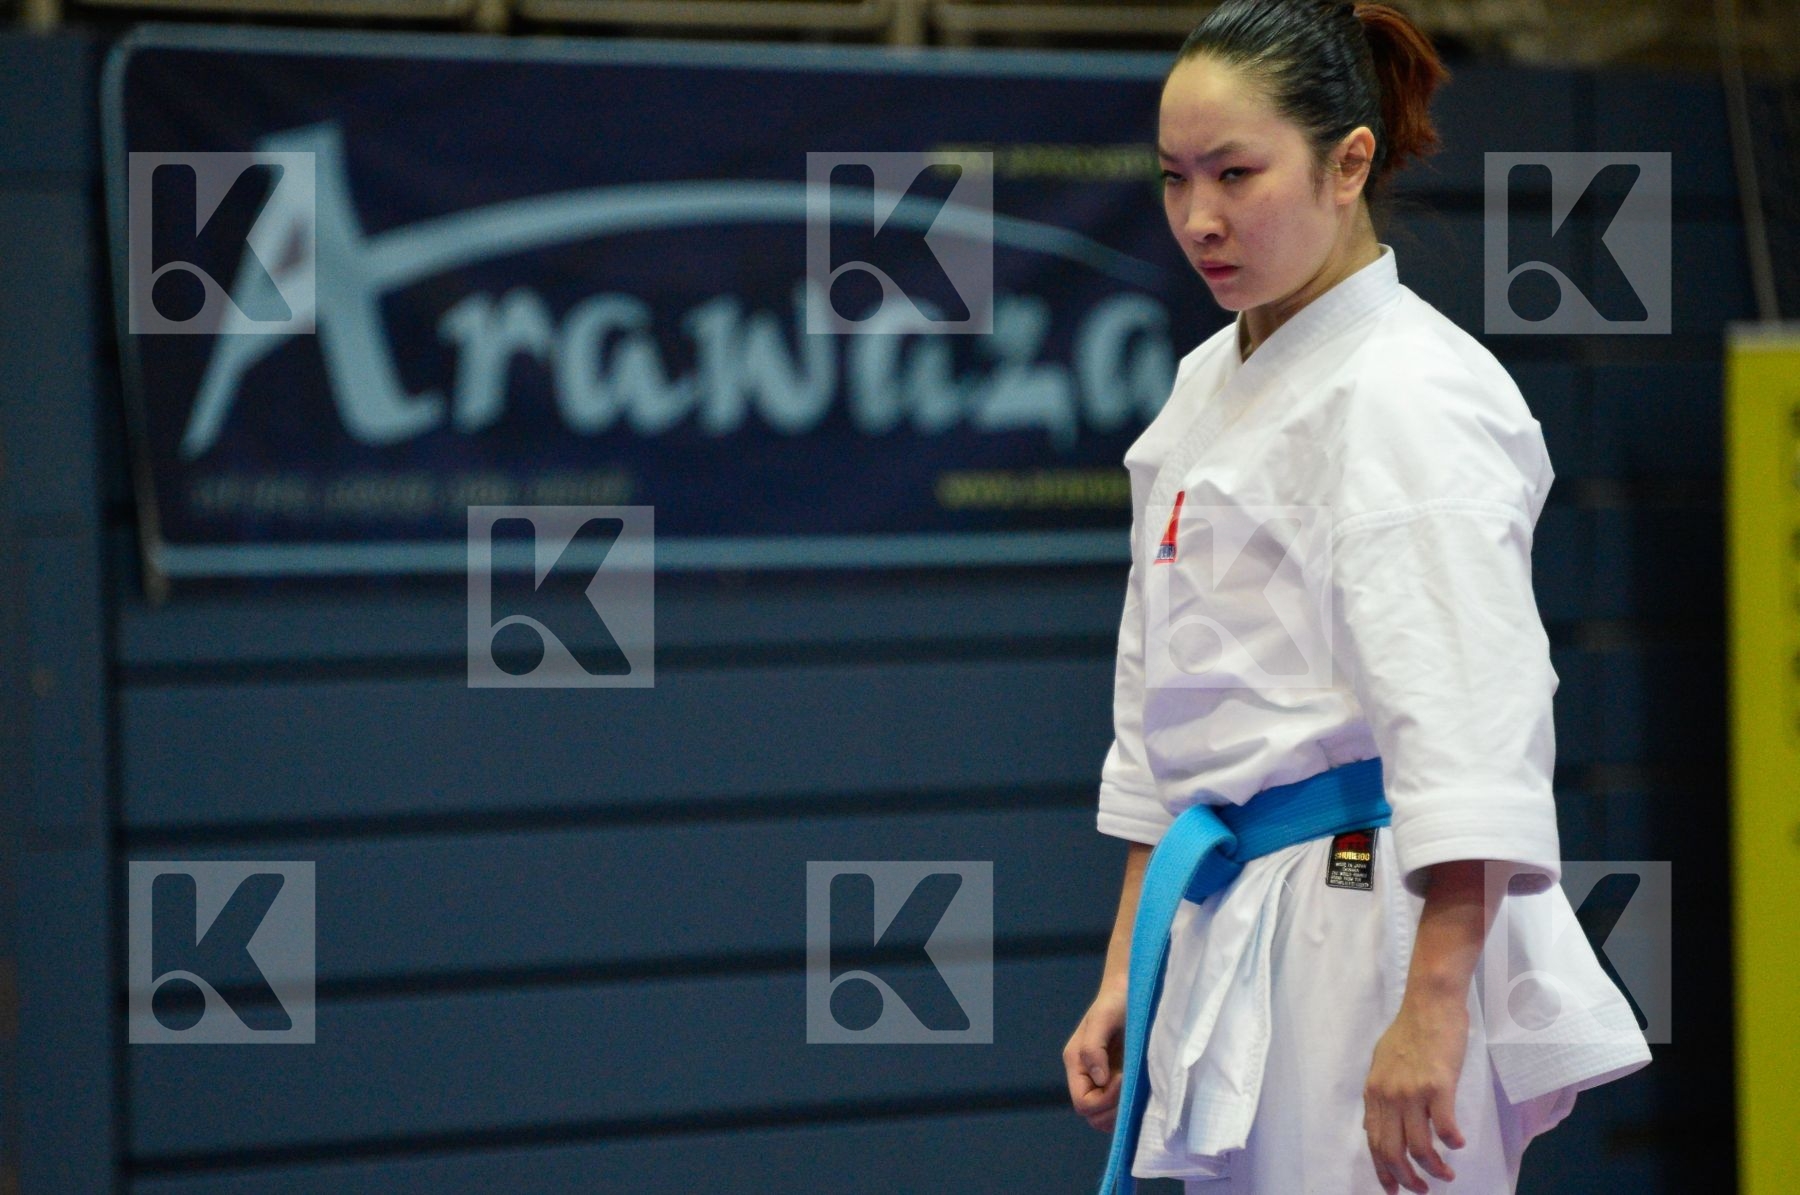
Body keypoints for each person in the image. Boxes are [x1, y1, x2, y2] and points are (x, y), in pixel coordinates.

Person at [1060, 3, 1653, 1193]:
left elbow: (1471, 721)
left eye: (1236, 173)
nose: (1199, 219)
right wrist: (1133, 960)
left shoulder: (1408, 391)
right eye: (1176, 179)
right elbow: (1159, 717)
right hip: (1241, 907)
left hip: (1375, 911)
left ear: (1350, 162)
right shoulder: (1199, 388)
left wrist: (1432, 1005)